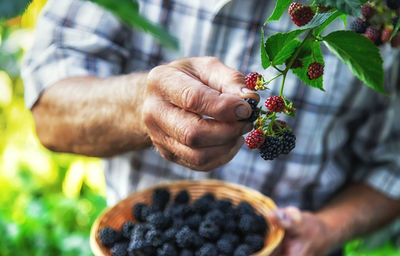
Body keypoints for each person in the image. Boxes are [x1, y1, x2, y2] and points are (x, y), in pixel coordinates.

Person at [22, 0, 400, 255]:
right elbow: (49, 108)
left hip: (283, 240)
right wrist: (140, 104)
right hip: (147, 232)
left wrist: (328, 228)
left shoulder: (379, 16)